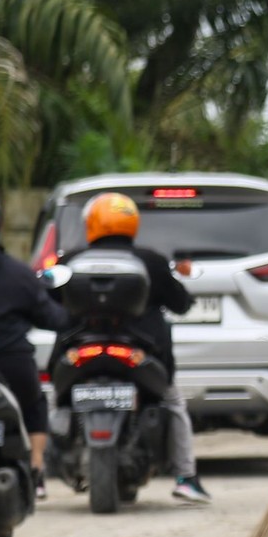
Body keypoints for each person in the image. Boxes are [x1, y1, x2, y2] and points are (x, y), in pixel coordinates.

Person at [72, 193, 205, 503]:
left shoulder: (72, 260)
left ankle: (38, 474)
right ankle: (186, 477)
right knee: (173, 403)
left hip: (83, 351)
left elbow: (49, 300)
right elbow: (180, 303)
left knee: (53, 402)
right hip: (141, 352)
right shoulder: (152, 261)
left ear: (92, 223)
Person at [0, 194, 68, 498]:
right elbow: (52, 317)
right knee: (35, 406)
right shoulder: (20, 274)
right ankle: (36, 471)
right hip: (13, 365)